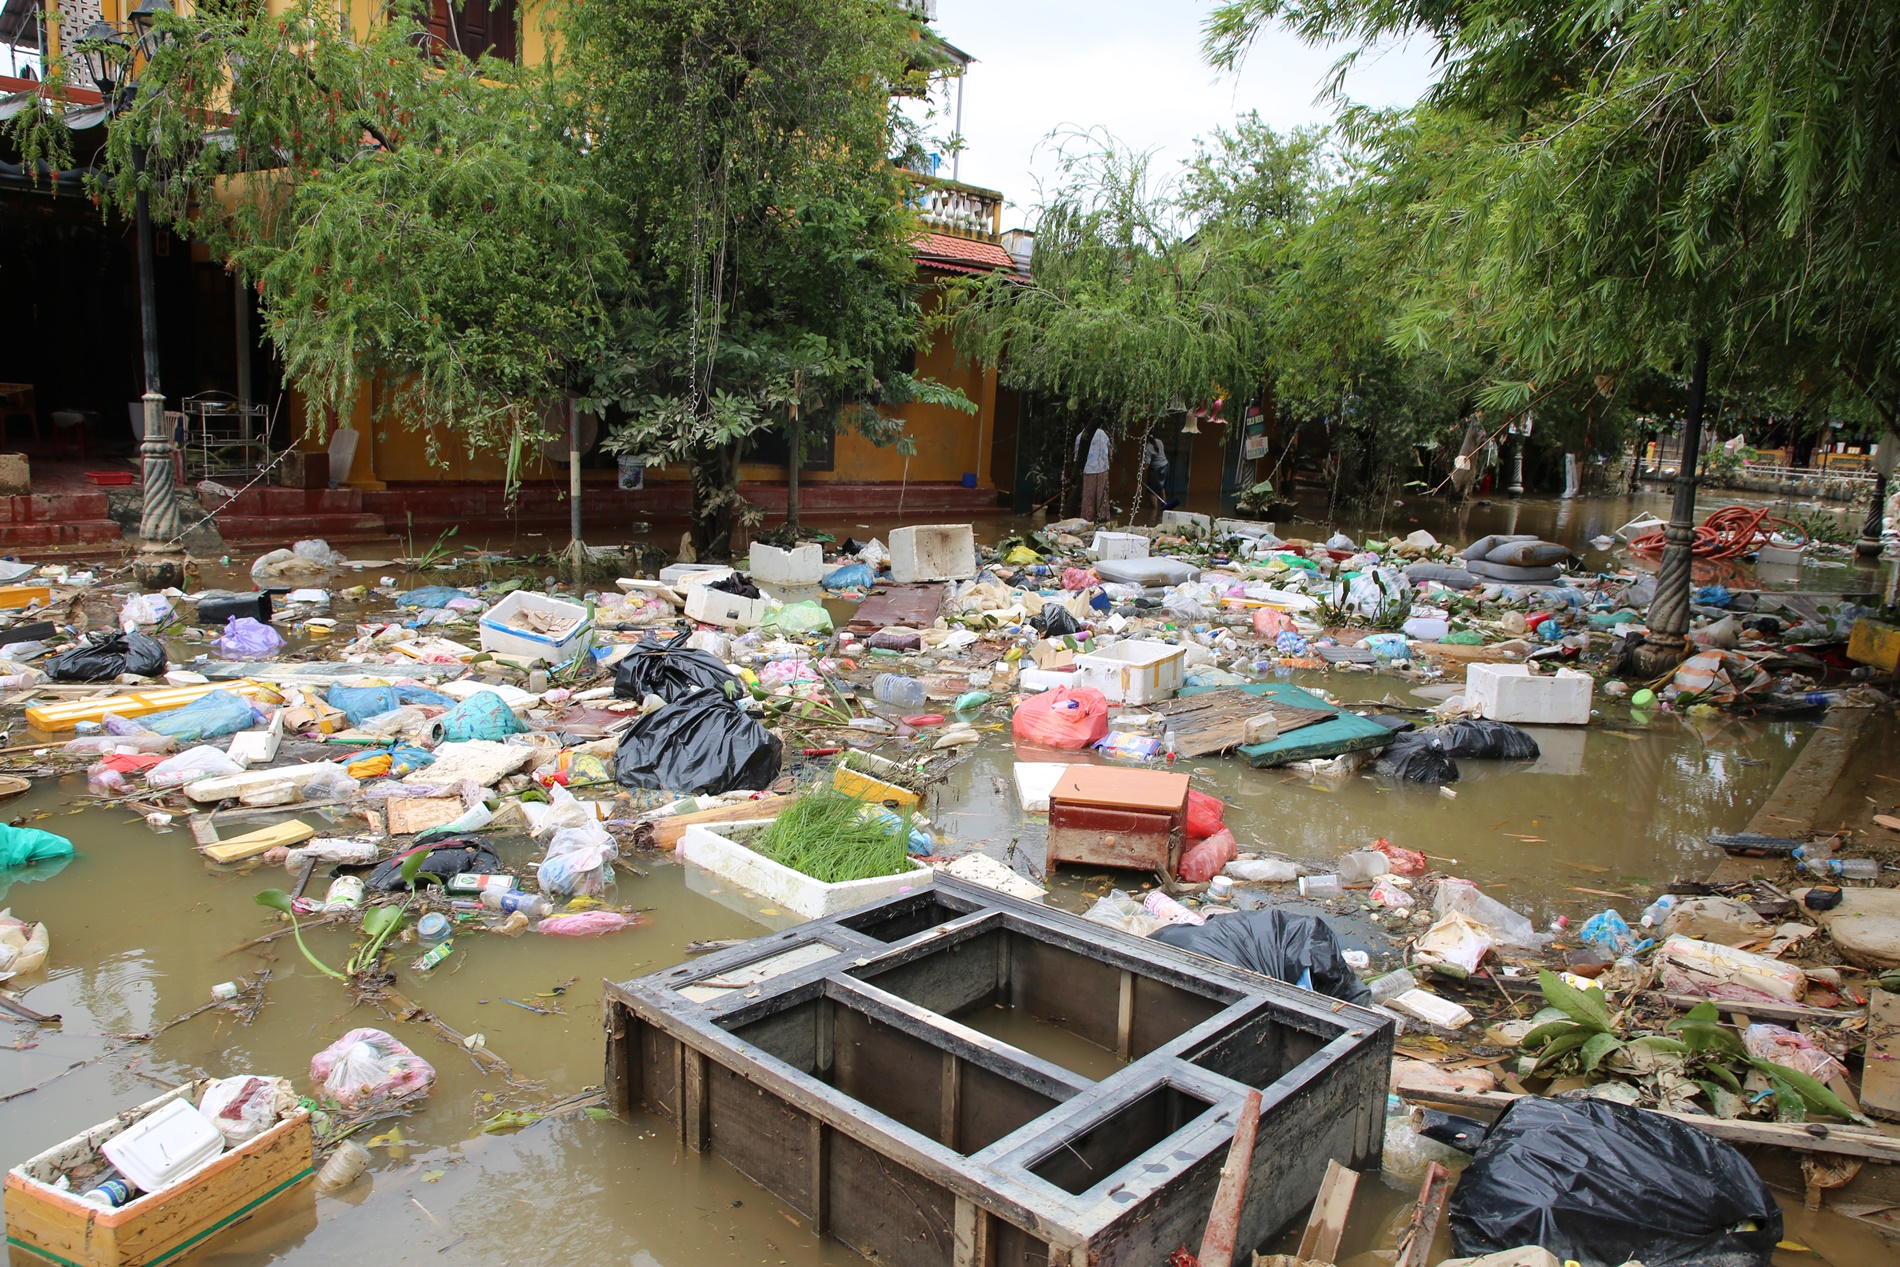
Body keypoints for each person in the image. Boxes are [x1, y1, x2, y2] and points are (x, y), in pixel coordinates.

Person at [1077, 425, 1112, 520]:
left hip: (1088, 470)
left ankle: (1087, 519)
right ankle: (1104, 518)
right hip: (1103, 469)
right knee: (1102, 495)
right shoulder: (1103, 434)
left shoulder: (1081, 436)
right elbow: (1109, 451)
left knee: (1088, 496)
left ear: (1082, 424)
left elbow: (1077, 457)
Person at [1144, 435, 1178, 510]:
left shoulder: (1148, 447)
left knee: (1152, 490)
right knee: (1160, 486)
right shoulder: (1159, 441)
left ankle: (1154, 511)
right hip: (1166, 466)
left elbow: (1146, 465)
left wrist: (1142, 475)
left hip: (1158, 469)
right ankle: (1164, 505)